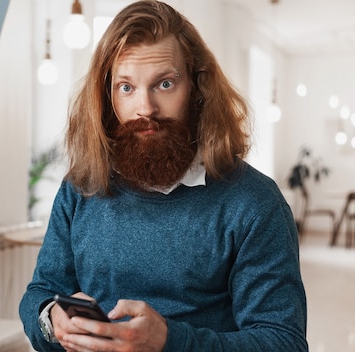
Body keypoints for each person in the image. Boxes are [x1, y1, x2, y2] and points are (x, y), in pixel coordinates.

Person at [19, 1, 308, 351]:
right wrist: (51, 321)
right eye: (126, 87)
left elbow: (283, 342)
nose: (146, 108)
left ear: (198, 89)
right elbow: (41, 292)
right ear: (107, 96)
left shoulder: (254, 203)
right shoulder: (81, 188)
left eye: (165, 84)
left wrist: (169, 342)